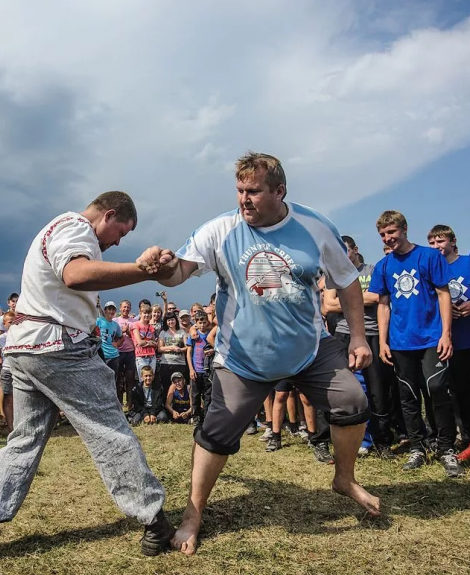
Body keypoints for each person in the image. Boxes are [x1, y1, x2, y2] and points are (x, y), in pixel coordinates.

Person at [137, 152, 378, 555]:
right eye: (239, 190)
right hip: (242, 358)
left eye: (253, 191)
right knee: (215, 435)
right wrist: (159, 267)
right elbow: (178, 273)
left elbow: (348, 281)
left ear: (280, 191)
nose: (244, 199)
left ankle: (344, 478)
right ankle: (193, 515)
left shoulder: (314, 226)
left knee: (352, 401)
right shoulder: (220, 230)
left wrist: (358, 337)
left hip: (308, 349)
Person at [0, 191, 177, 570]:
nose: (119, 240)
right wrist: (142, 269)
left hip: (26, 350)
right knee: (108, 431)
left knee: (23, 441)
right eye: (122, 230)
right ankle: (154, 521)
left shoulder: (57, 229)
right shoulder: (76, 227)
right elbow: (75, 274)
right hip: (58, 347)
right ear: (110, 214)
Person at [370, 210, 462, 477]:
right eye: (383, 235)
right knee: (408, 396)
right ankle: (418, 447)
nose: (388, 239)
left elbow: (444, 295)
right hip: (400, 342)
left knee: (436, 388)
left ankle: (446, 448)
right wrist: (383, 342)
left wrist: (446, 333)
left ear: (404, 229)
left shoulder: (429, 256)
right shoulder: (383, 266)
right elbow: (383, 306)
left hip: (432, 337)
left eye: (392, 232)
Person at [321, 235, 399, 458]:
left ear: (355, 250)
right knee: (354, 391)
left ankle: (383, 440)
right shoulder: (333, 275)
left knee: (378, 391)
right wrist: (362, 298)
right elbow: (328, 305)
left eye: (345, 251)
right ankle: (361, 441)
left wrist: (345, 301)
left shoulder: (372, 270)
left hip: (373, 334)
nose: (342, 256)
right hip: (344, 336)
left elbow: (378, 297)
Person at [428, 224, 470, 463]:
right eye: (431, 243)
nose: (436, 247)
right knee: (462, 394)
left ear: (452, 241)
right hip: (453, 342)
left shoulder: (468, 263)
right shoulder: (432, 267)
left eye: (440, 241)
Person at [186, 310, 212, 427]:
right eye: (199, 322)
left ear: (207, 322)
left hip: (207, 371)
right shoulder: (194, 336)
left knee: (208, 396)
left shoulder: (210, 335)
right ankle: (195, 417)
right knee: (195, 395)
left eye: (204, 322)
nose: (202, 325)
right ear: (196, 323)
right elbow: (188, 353)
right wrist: (191, 369)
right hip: (196, 370)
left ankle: (207, 418)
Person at [157, 312, 188, 397]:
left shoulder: (182, 332)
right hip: (166, 363)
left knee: (180, 386)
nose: (171, 322)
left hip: (180, 363)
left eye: (172, 319)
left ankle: (179, 405)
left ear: (176, 320)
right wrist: (171, 347)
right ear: (166, 322)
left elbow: (187, 347)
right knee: (166, 386)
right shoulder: (163, 332)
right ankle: (166, 406)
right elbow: (160, 348)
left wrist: (180, 349)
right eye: (168, 320)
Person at [0, 311, 16, 433]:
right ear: (4, 324)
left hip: (21, 370)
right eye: (10, 322)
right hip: (7, 369)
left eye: (15, 322)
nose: (13, 324)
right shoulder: (2, 338)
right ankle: (11, 428)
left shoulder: (24, 335)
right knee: (8, 397)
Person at [96, 301, 123, 373]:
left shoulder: (116, 325)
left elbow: (121, 337)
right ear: (105, 310)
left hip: (114, 355)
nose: (111, 311)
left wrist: (117, 344)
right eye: (109, 309)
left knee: (113, 379)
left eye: (113, 309)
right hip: (101, 354)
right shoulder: (99, 321)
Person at [132, 303, 157, 378]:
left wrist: (147, 343)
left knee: (151, 378)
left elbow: (155, 344)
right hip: (141, 356)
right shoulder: (135, 325)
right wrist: (150, 342)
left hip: (152, 356)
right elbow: (139, 342)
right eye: (145, 313)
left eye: (149, 313)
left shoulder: (151, 327)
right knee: (143, 379)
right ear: (140, 313)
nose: (147, 315)